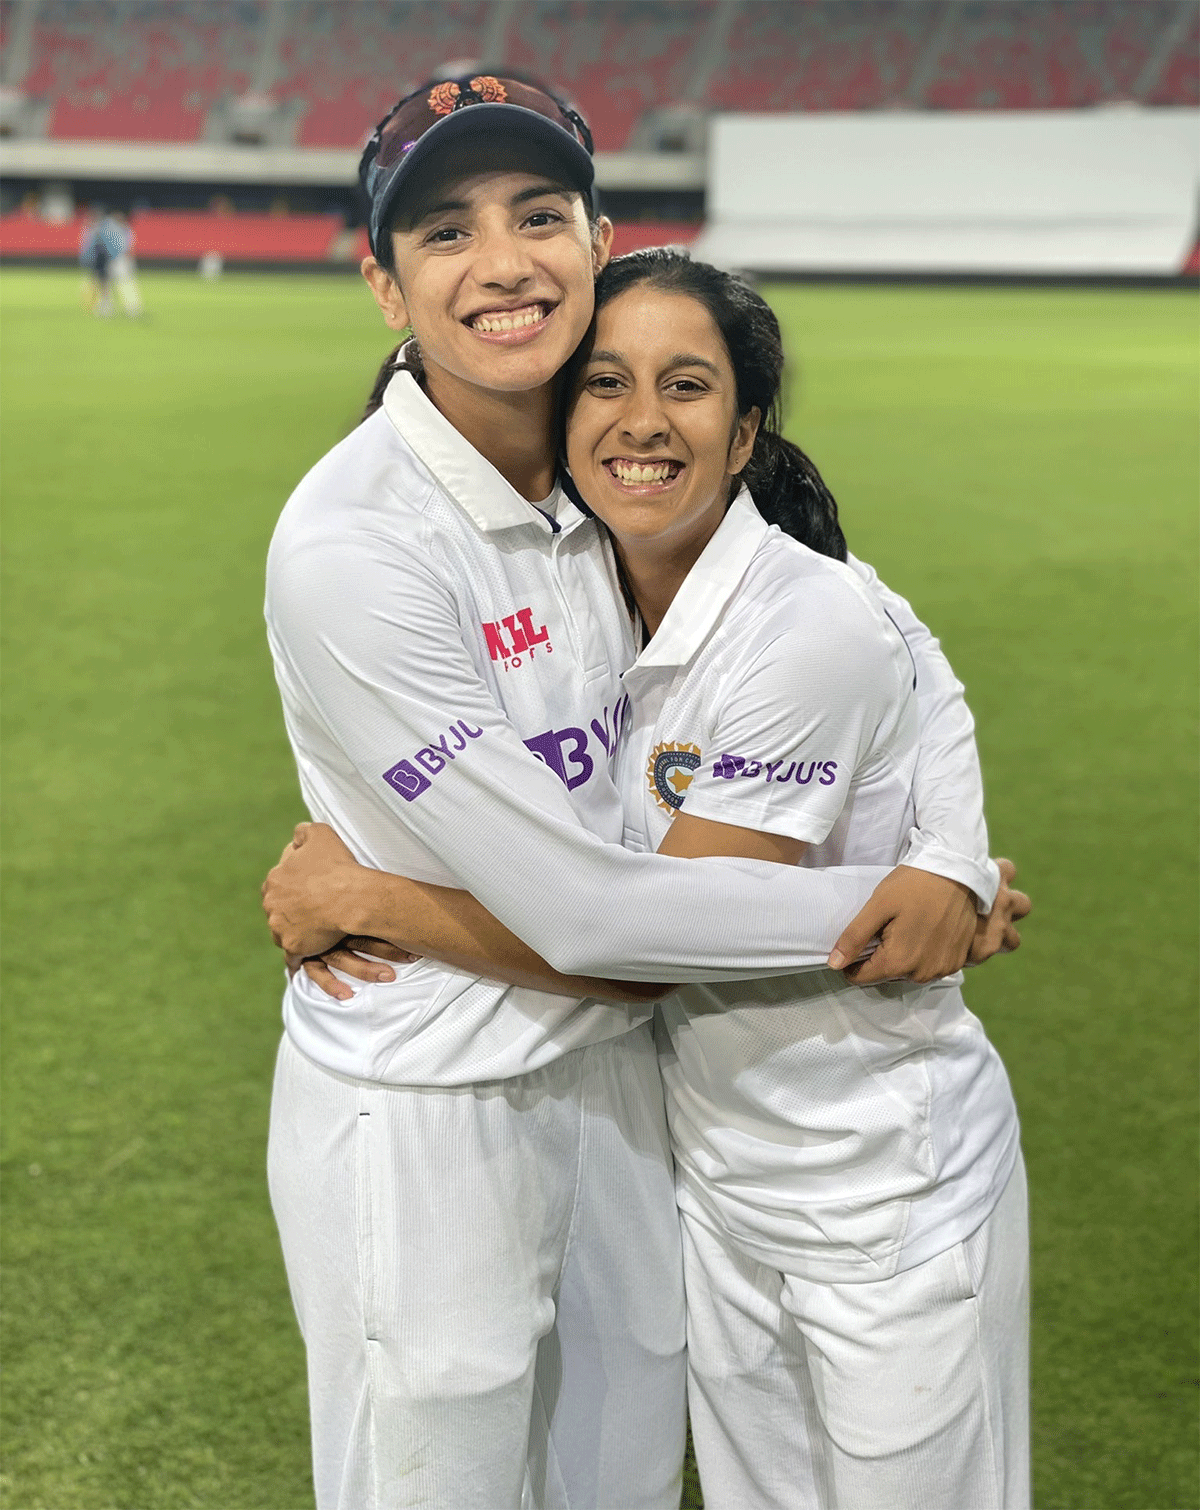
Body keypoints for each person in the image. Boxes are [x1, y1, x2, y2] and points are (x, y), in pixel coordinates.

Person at [262, 75, 1019, 1510]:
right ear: (384, 285)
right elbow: (595, 913)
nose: (503, 261)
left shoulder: (599, 472)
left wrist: (953, 841)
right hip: (434, 1096)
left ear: (597, 240)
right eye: (445, 232)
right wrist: (908, 899)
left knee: (613, 1476)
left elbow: (872, 620)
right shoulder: (353, 543)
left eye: (539, 215)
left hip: (622, 1090)